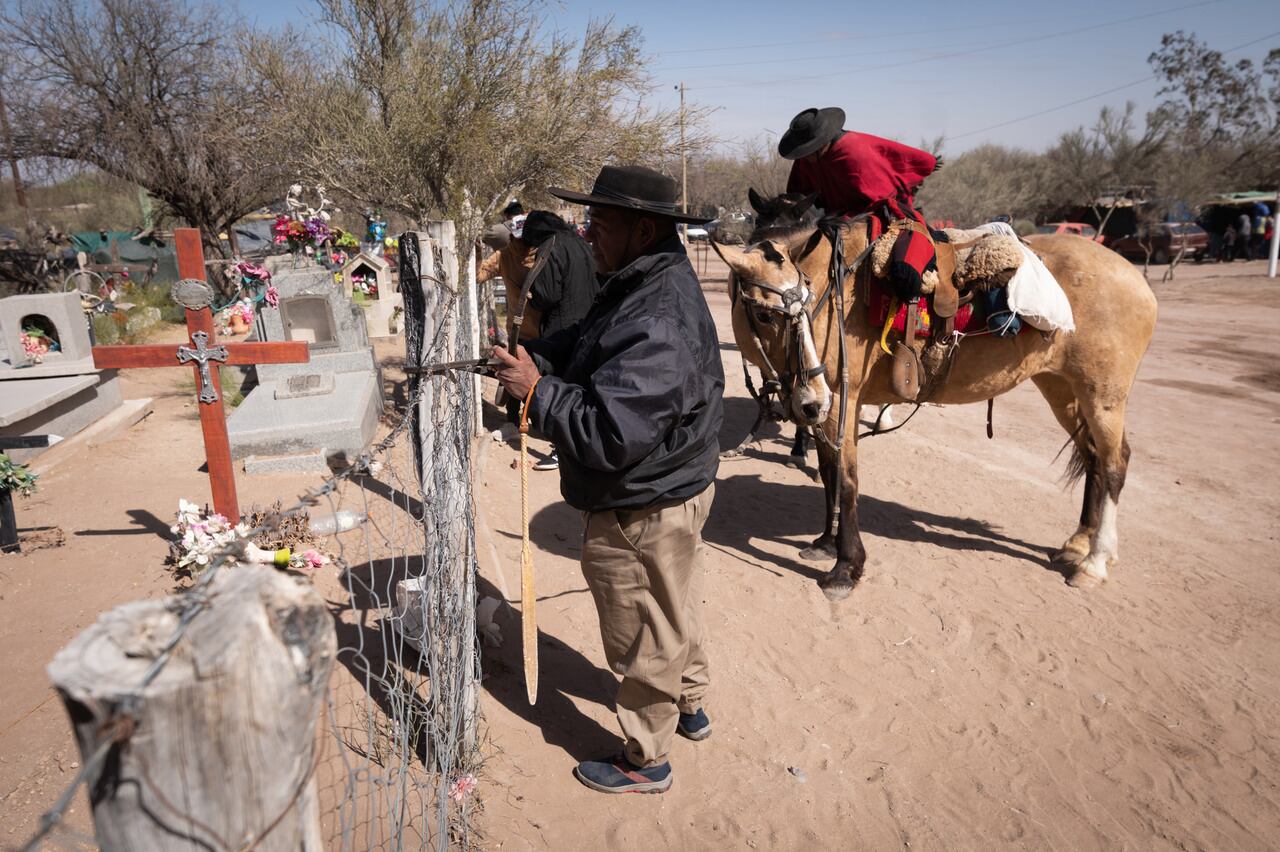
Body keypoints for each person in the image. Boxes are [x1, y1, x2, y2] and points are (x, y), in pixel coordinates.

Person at [490, 165, 725, 794]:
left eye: (600, 223)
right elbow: (593, 341)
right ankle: (690, 705)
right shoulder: (644, 279)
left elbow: (609, 434)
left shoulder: (659, 314)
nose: (586, 233)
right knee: (675, 606)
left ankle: (647, 759)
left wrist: (537, 393)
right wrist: (545, 357)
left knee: (641, 631)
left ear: (643, 229)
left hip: (643, 501)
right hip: (674, 483)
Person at [780, 106, 941, 299]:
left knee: (896, 268)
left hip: (873, 212)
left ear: (821, 142)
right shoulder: (808, 158)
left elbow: (878, 196)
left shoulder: (854, 153)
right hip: (831, 215)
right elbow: (799, 192)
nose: (803, 156)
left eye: (806, 151)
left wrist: (842, 220)